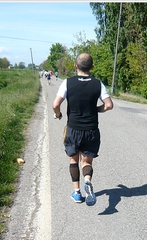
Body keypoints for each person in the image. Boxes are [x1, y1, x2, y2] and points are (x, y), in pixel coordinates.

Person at [52, 53, 113, 206]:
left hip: (73, 129)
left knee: (73, 159)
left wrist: (58, 115)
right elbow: (109, 105)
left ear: (75, 66)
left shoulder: (67, 83)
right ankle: (87, 180)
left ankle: (77, 193)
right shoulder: (98, 84)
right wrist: (97, 110)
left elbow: (55, 104)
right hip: (91, 130)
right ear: (91, 67)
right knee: (86, 162)